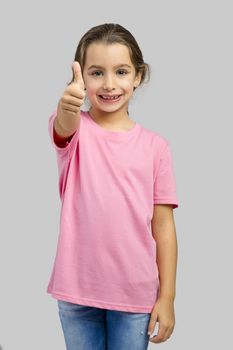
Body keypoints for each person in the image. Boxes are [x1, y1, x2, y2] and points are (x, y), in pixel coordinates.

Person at [47, 23, 179, 350]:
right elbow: (64, 125)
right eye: (96, 73)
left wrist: (167, 297)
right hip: (77, 292)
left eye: (121, 72)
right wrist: (68, 106)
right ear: (80, 78)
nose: (109, 84)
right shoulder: (75, 131)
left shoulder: (155, 147)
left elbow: (163, 227)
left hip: (135, 294)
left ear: (138, 76)